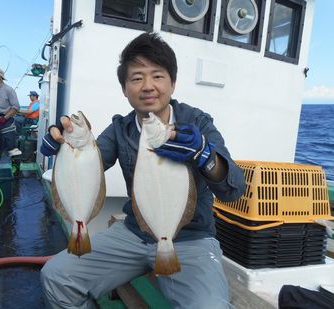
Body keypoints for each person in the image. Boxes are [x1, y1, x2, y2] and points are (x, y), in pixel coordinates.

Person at [39, 32, 246, 309]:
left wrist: (204, 154)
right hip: (134, 234)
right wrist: (63, 148)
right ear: (125, 89)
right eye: (137, 78)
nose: (148, 86)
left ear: (172, 83)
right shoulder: (120, 129)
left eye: (157, 76)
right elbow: (90, 165)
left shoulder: (197, 123)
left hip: (191, 239)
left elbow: (233, 189)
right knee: (56, 276)